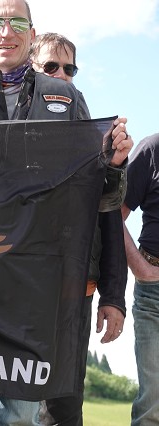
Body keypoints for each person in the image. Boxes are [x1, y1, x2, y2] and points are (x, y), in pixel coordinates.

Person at [0, 1, 133, 424]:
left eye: (17, 22)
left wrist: (114, 165)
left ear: (32, 34)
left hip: (35, 284)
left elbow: (95, 198)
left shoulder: (67, 97)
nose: (6, 31)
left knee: (21, 417)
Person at [30, 33, 127, 426]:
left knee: (64, 407)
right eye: (50, 66)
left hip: (75, 293)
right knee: (2, 405)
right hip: (14, 287)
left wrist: (114, 296)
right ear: (29, 69)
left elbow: (109, 216)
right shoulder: (6, 130)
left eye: (69, 68)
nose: (61, 74)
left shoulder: (95, 137)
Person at [122, 134, 159, 425]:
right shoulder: (152, 149)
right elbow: (111, 211)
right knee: (152, 406)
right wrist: (140, 268)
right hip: (154, 293)